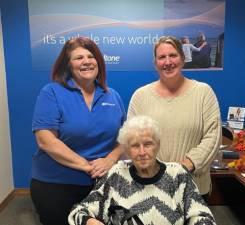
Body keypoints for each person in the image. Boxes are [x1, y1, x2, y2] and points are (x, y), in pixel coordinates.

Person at [30, 37, 126, 225]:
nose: (86, 61)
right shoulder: (52, 92)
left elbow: (124, 137)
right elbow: (45, 139)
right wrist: (87, 166)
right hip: (56, 184)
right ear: (68, 65)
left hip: (103, 184)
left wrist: (110, 159)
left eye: (91, 56)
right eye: (78, 58)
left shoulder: (112, 95)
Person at [68, 116, 217, 225]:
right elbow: (78, 212)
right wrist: (91, 222)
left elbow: (203, 217)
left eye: (148, 144)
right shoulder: (116, 175)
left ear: (157, 145)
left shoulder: (177, 175)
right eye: (135, 146)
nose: (142, 152)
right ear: (126, 150)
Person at [128, 36, 221, 198]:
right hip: (151, 189)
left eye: (173, 55)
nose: (168, 62)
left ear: (183, 58)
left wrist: (186, 166)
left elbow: (213, 136)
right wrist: (156, 173)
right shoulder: (140, 96)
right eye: (162, 57)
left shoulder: (203, 92)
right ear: (155, 63)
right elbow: (132, 140)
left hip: (193, 188)